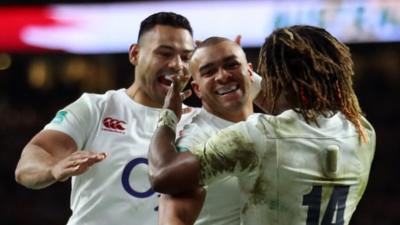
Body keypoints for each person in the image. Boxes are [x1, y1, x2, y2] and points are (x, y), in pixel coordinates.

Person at [148, 25, 376, 225]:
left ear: (280, 82)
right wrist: (238, 72)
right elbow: (300, 114)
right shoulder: (362, 131)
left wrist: (168, 113)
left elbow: (162, 175)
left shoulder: (259, 136)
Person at [15, 12, 198, 225]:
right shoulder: (95, 109)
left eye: (186, 57)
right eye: (164, 53)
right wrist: (52, 169)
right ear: (135, 54)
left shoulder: (200, 123)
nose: (177, 65)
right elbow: (30, 162)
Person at [158, 37, 257, 225]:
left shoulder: (272, 125)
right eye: (209, 72)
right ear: (197, 89)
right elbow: (172, 218)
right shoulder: (194, 141)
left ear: (250, 72)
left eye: (231, 65)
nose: (222, 76)